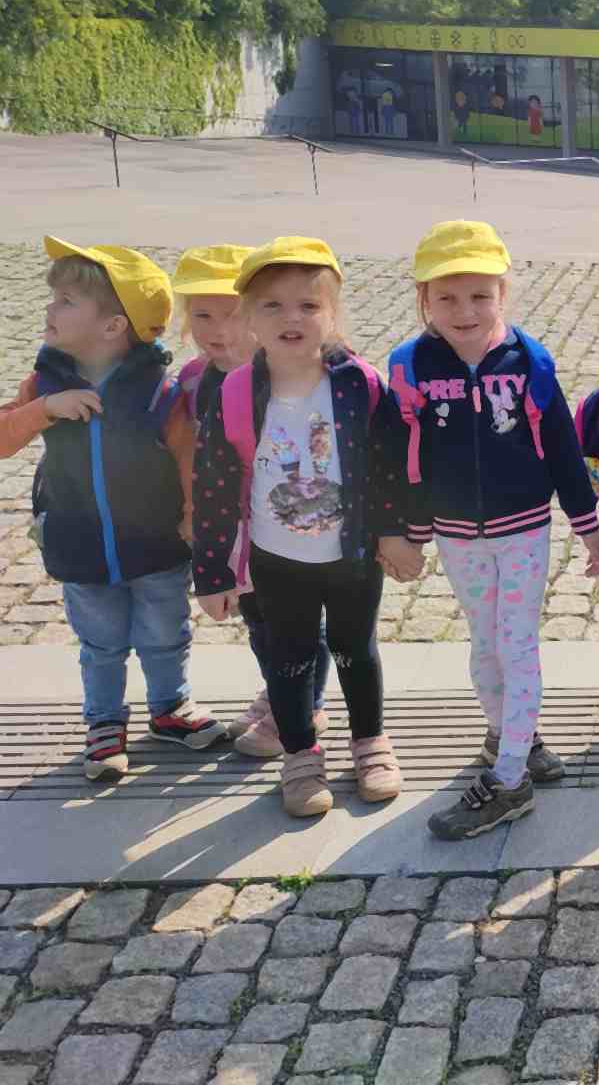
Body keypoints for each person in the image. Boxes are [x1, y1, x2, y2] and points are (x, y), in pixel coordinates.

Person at [384, 222, 599, 841]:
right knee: (485, 645)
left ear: (503, 294)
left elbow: (562, 445)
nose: (465, 311)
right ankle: (515, 736)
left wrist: (586, 525)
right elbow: (402, 455)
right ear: (425, 299)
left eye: (480, 295)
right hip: (456, 534)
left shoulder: (530, 363)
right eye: (448, 297)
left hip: (523, 531)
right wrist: (406, 530)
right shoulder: (410, 368)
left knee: (517, 643)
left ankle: (509, 780)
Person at [192, 238, 411, 818]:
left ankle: (370, 740)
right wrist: (212, 572)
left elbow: (390, 463)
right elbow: (212, 485)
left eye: (308, 305)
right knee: (287, 658)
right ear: (248, 318)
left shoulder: (360, 385)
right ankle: (300, 752)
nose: (292, 318)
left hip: (351, 556)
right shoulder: (235, 392)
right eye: (273, 306)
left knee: (355, 650)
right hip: (276, 560)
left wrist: (396, 532)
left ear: (332, 314)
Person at [1, 238, 221, 784]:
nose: (50, 308)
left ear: (113, 326)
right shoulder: (44, 383)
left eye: (66, 301)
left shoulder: (160, 392)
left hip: (157, 546)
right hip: (79, 545)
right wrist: (44, 409)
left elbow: (188, 457)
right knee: (100, 644)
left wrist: (193, 515)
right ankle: (103, 723)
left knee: (165, 633)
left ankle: (170, 707)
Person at [170, 244, 332, 759]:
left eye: (232, 314)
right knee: (257, 619)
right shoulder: (195, 379)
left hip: (283, 523)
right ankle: (280, 690)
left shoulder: (281, 376)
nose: (218, 330)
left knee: (297, 621)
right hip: (231, 527)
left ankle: (303, 707)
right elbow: (190, 455)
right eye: (202, 315)